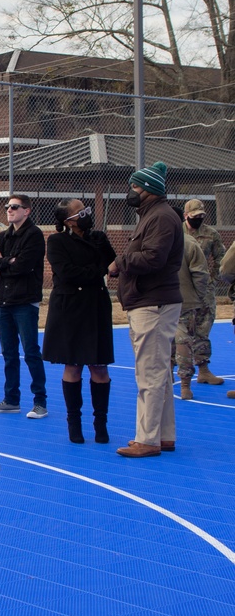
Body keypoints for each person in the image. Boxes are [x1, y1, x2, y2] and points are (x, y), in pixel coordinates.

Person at [108, 161, 184, 458]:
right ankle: (163, 435)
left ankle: (147, 439)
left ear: (150, 189)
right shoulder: (153, 215)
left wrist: (120, 263)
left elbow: (153, 258)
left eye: (136, 187)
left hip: (153, 303)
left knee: (149, 373)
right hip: (152, 300)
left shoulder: (161, 218)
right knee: (160, 373)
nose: (132, 191)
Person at [42, 200, 116, 444]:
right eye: (80, 212)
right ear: (68, 221)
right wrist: (98, 271)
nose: (87, 214)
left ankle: (100, 423)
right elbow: (68, 273)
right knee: (72, 365)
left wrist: (99, 270)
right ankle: (74, 422)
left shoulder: (99, 238)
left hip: (96, 306)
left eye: (86, 210)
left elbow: (112, 266)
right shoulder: (56, 241)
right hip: (69, 309)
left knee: (99, 366)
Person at [0, 194, 48, 418]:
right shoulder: (3, 235)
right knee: (9, 353)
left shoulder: (34, 235)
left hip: (25, 303)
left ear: (26, 211)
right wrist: (7, 260)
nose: (9, 210)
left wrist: (7, 261)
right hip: (4, 302)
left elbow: (23, 266)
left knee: (31, 352)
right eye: (7, 207)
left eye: (14, 207)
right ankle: (11, 400)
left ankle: (40, 402)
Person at [181, 198, 226, 385]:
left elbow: (221, 259)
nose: (198, 219)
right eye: (194, 216)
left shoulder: (210, 234)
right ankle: (174, 370)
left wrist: (212, 280)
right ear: (186, 216)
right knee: (179, 331)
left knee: (203, 327)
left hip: (203, 288)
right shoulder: (176, 232)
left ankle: (203, 369)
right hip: (182, 288)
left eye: (201, 216)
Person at [172, 206, 211, 400]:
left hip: (160, 301)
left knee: (164, 341)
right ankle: (185, 385)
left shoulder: (152, 240)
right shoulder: (189, 243)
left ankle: (167, 377)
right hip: (185, 301)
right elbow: (201, 274)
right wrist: (199, 296)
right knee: (184, 341)